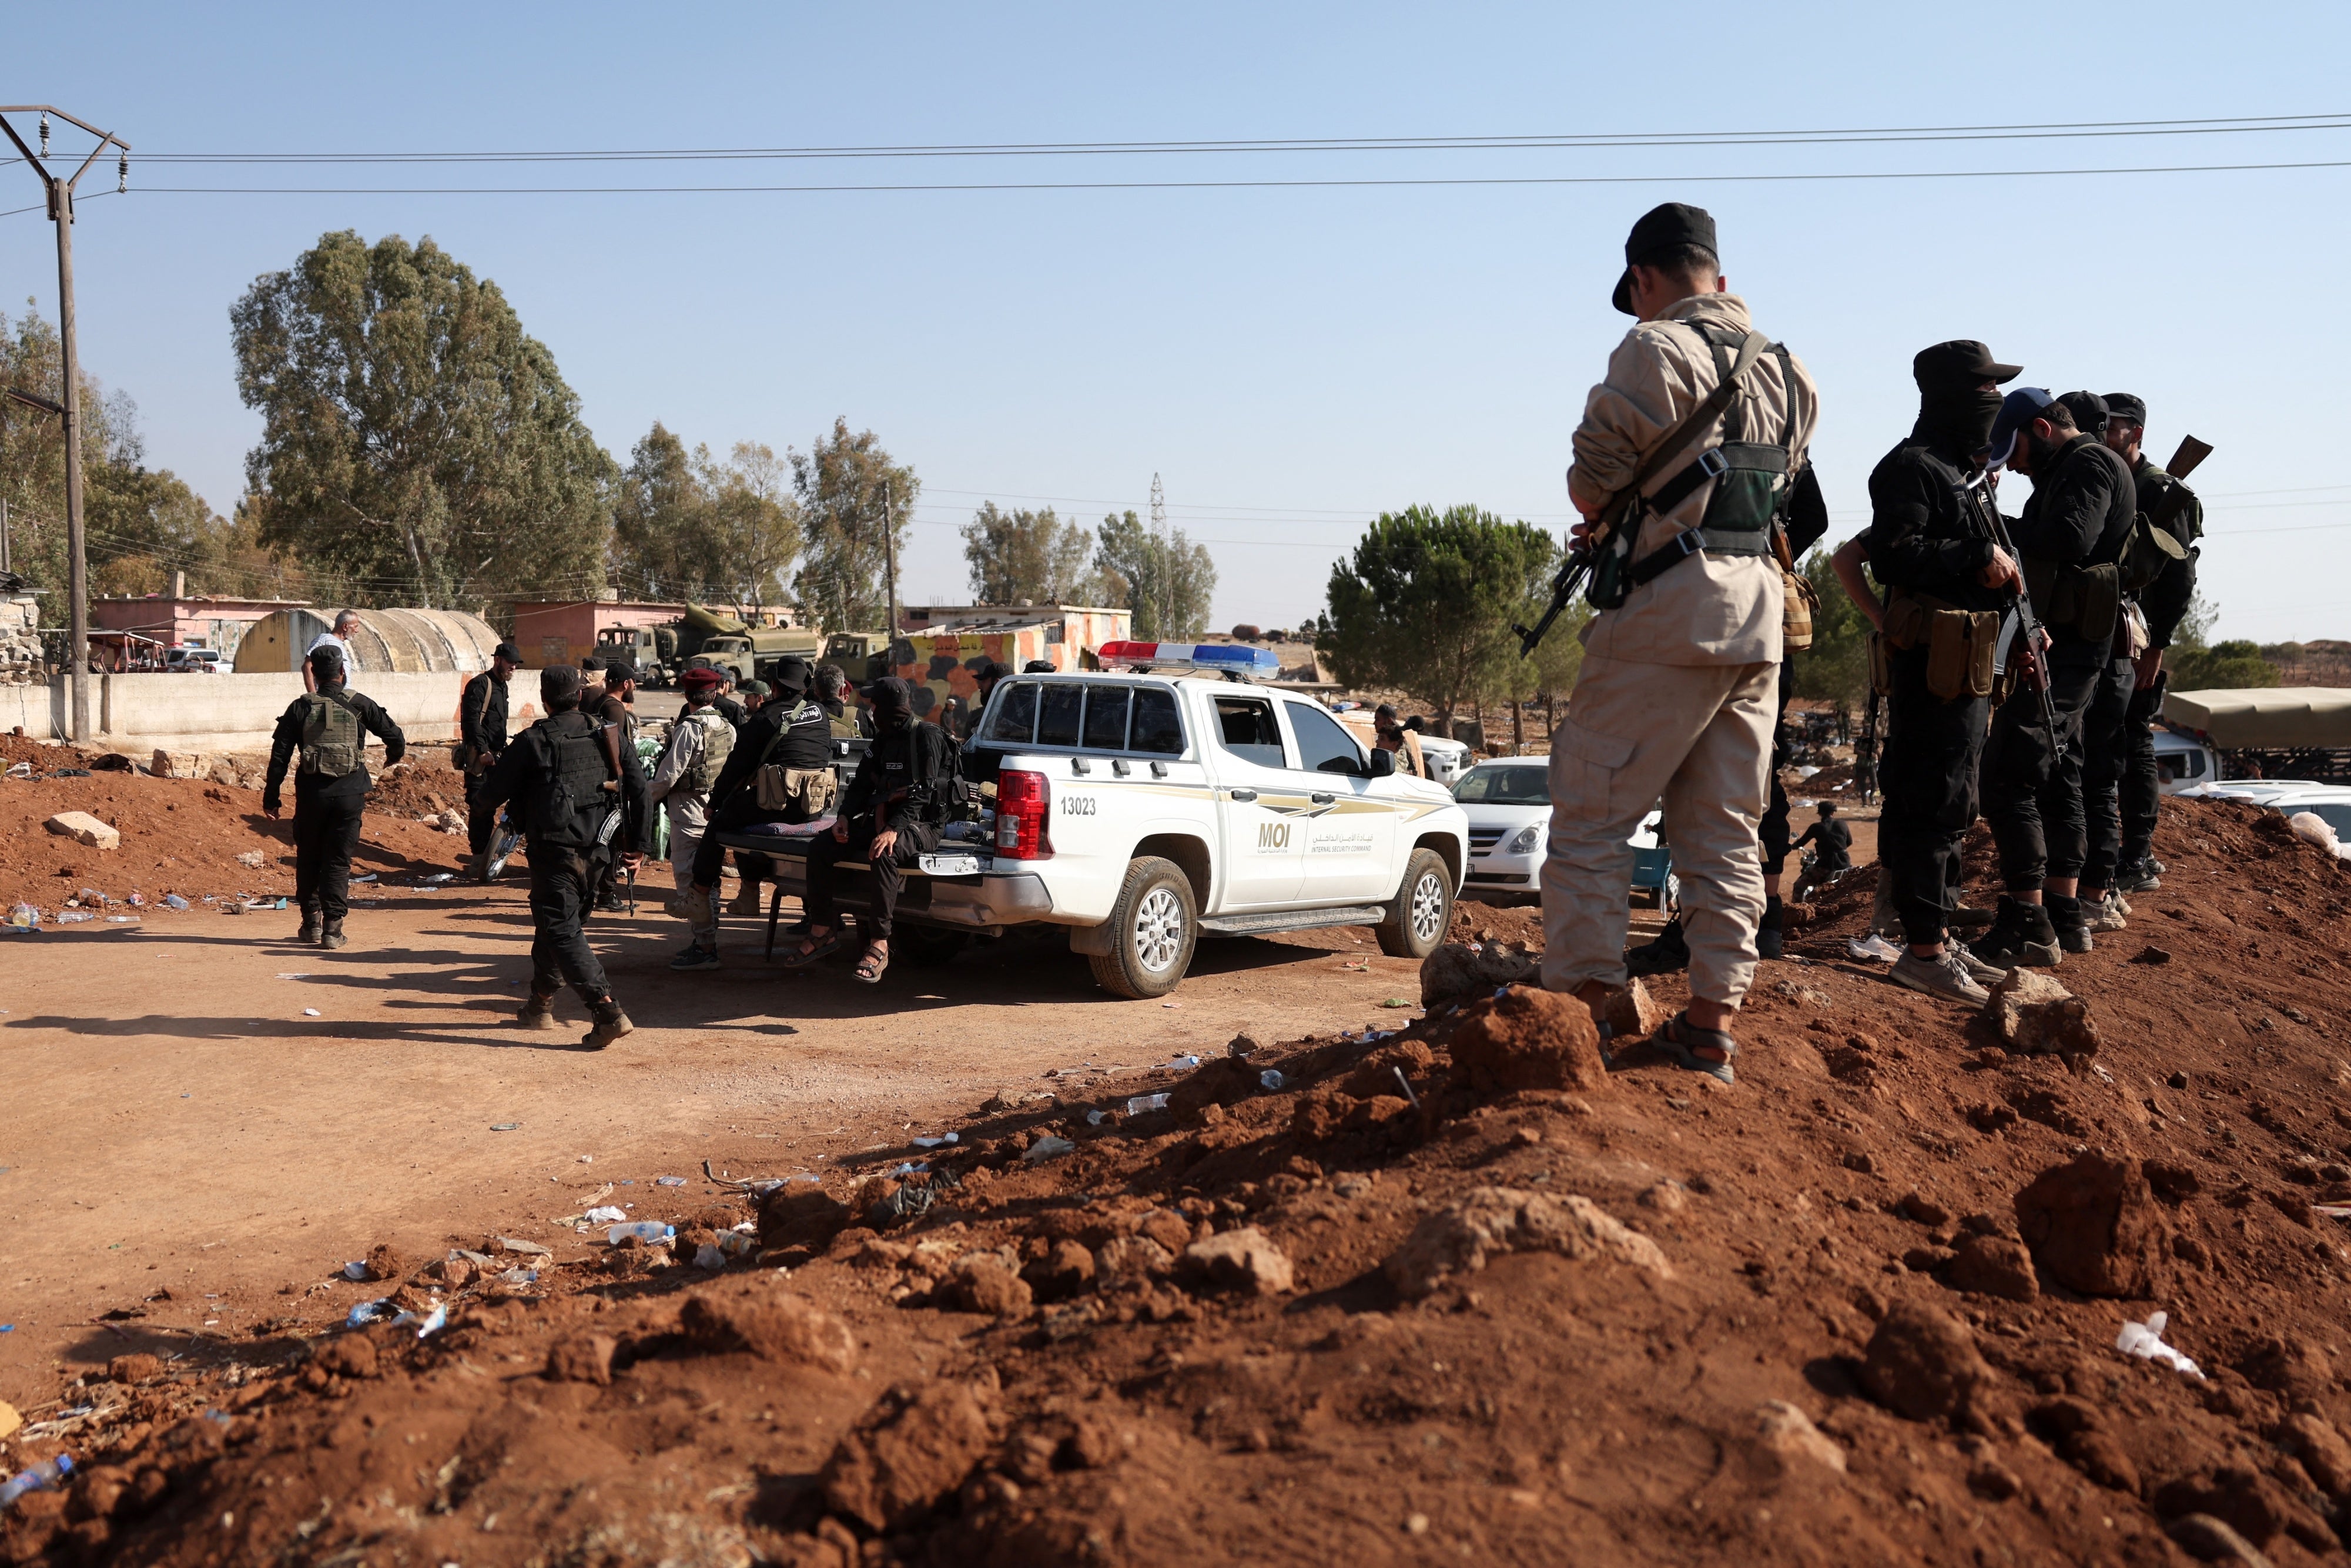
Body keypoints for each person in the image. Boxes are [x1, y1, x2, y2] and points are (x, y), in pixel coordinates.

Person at [1539, 202, 1820, 1086]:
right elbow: (1790, 501)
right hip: (1757, 621)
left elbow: (1591, 484)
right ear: (1723, 281)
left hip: (1666, 616)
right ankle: (1710, 1030)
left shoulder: (1651, 349)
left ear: (1646, 281)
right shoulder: (1791, 371)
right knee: (1725, 830)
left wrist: (1617, 513)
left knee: (1591, 819)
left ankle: (1581, 1025)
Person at [1857, 341, 2030, 1000]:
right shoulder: (1911, 469)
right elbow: (1894, 555)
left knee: (1952, 798)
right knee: (1933, 797)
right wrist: (1971, 555)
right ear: (1952, 397)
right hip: (1933, 664)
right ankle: (1923, 951)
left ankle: (1937, 936)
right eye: (1984, 391)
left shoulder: (1960, 471)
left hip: (1968, 660)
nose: (1993, 403)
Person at [1972, 387, 2139, 967]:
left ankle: (2029, 923)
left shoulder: (2090, 463)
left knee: (2007, 772)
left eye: (2013, 451)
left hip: (2071, 648)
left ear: (2042, 430)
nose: (2012, 465)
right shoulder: (2072, 466)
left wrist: (1995, 526)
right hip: (2062, 642)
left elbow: (2071, 538)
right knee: (2058, 773)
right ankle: (2064, 918)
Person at [474, 664, 647, 1047]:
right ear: (580, 696)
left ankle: (606, 1009)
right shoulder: (607, 733)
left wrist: (481, 804)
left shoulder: (534, 740)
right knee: (558, 926)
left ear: (544, 698)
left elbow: (491, 795)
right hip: (601, 852)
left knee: (561, 929)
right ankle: (540, 1004)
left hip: (555, 852)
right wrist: (641, 844)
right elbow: (640, 789)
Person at [783, 677, 955, 984]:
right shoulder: (883, 738)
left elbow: (926, 792)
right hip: (882, 817)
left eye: (875, 705)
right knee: (821, 847)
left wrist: (893, 830)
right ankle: (822, 930)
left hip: (922, 825)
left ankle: (880, 942)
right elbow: (862, 783)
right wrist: (845, 818)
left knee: (883, 851)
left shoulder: (927, 736)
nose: (871, 710)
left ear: (890, 708)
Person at [672, 658, 837, 970]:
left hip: (778, 805)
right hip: (812, 809)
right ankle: (748, 892)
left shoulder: (768, 717)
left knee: (720, 826)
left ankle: (700, 894)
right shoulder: (821, 715)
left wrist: (715, 802)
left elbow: (738, 766)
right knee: (745, 824)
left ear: (774, 686)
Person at [2104, 391, 2201, 894]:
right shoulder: (2112, 480)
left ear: (2135, 434)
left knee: (2135, 738)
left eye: (2112, 426)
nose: (2102, 433)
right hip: (2111, 630)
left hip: (2141, 636)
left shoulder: (2158, 489)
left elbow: (2179, 580)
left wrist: (2158, 646)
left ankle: (2138, 853)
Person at [262, 645, 407, 948]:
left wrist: (272, 797)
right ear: (342, 672)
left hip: (312, 795)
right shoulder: (360, 703)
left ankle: (311, 924)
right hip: (350, 795)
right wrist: (393, 756)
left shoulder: (300, 707)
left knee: (309, 858)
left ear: (313, 674)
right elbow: (395, 736)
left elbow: (280, 756)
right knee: (338, 862)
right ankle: (333, 929)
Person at [647, 665, 733, 951]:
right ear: (715, 694)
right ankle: (710, 937)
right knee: (709, 878)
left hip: (688, 812)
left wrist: (645, 797)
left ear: (687, 696)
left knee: (689, 879)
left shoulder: (689, 728)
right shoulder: (728, 728)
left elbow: (669, 775)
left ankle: (705, 945)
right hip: (716, 813)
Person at [460, 642, 522, 873]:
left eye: (515, 664)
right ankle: (478, 858)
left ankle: (494, 852)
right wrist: (483, 750)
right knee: (478, 806)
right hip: (480, 758)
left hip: (497, 757)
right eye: (510, 663)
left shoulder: (502, 686)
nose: (513, 667)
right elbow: (470, 722)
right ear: (498, 660)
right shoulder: (480, 685)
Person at [587, 655, 640, 912]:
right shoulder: (615, 709)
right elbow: (617, 751)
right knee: (614, 842)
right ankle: (606, 894)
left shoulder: (599, 702)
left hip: (600, 782)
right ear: (627, 684)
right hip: (613, 786)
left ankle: (600, 891)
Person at [1790, 799, 1851, 894]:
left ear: (1820, 813)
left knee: (1799, 885)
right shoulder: (1843, 824)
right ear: (1833, 813)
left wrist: (1791, 847)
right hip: (1845, 863)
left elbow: (1801, 842)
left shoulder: (1816, 827)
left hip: (1825, 865)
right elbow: (1849, 842)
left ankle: (1797, 908)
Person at [303, 610, 361, 693]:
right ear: (345, 626)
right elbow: (307, 666)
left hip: (341, 699)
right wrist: (313, 695)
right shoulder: (325, 639)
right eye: (355, 627)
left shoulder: (341, 646)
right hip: (328, 698)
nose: (357, 631)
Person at [1372, 702, 1428, 779]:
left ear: (1388, 721)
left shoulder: (1397, 742)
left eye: (1378, 719)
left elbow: (1398, 766)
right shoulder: (1392, 737)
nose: (1374, 723)